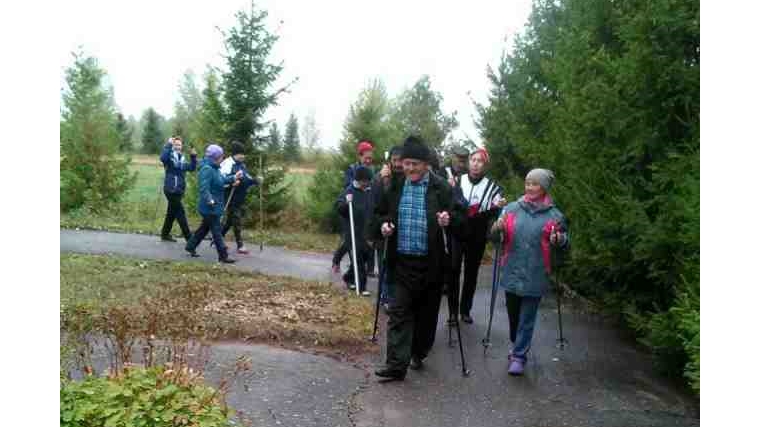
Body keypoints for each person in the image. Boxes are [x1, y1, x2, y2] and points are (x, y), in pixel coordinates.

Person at [369, 135, 463, 381]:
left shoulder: (441, 187)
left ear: (426, 164)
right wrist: (384, 227)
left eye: (415, 164)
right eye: (406, 163)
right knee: (398, 311)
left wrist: (449, 220)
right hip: (401, 262)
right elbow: (379, 215)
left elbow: (460, 217)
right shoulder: (396, 185)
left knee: (425, 316)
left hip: (431, 264)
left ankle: (418, 352)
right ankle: (395, 365)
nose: (409, 168)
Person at [490, 168, 569, 376]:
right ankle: (517, 344)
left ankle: (518, 356)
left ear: (544, 188)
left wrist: (559, 240)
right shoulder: (511, 209)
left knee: (527, 317)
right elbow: (495, 237)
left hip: (537, 272)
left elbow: (564, 242)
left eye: (535, 184)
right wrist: (496, 229)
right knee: (514, 315)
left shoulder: (555, 216)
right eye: (528, 183)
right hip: (512, 270)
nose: (530, 187)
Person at [455, 148, 507, 324]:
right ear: (469, 162)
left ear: (485, 165)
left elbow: (496, 214)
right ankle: (452, 311)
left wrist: (497, 209)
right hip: (457, 231)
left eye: (480, 161)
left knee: (471, 273)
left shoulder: (493, 187)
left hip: (477, 234)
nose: (476, 164)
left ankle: (465, 310)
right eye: (474, 160)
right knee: (453, 271)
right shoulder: (457, 181)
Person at [185, 144, 242, 263]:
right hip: (209, 206)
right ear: (215, 157)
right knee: (216, 231)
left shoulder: (215, 168)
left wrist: (233, 178)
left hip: (215, 205)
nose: (222, 158)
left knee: (204, 228)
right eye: (221, 156)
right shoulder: (207, 169)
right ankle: (223, 255)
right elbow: (203, 188)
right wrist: (209, 200)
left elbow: (221, 181)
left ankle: (190, 246)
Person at [332, 140, 376, 273]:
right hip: (350, 209)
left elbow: (372, 187)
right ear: (360, 156)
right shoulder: (352, 169)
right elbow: (348, 187)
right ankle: (337, 261)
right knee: (349, 240)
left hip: (365, 210)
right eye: (366, 158)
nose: (368, 160)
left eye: (370, 158)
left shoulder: (372, 170)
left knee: (366, 238)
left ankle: (368, 269)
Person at [372, 145, 404, 308]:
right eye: (394, 160)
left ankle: (392, 297)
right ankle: (385, 297)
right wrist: (383, 180)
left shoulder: (406, 178)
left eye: (400, 160)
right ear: (389, 161)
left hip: (400, 232)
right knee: (385, 266)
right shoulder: (381, 178)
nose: (398, 164)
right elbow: (376, 205)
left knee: (395, 268)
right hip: (383, 231)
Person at [336, 165, 374, 296]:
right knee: (357, 260)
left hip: (366, 231)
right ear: (359, 180)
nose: (367, 183)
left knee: (364, 257)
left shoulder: (370, 191)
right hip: (352, 231)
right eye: (365, 181)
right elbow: (339, 206)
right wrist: (346, 204)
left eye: (369, 181)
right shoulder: (349, 190)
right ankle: (362, 287)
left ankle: (348, 277)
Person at [220, 141, 260, 254]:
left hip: (239, 198)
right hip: (229, 198)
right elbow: (220, 180)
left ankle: (218, 238)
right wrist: (231, 182)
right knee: (236, 220)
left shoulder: (242, 165)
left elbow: (247, 179)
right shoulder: (227, 164)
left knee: (230, 221)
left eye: (243, 154)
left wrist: (256, 181)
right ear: (234, 154)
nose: (243, 156)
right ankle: (240, 245)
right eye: (240, 154)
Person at [159, 136, 197, 242]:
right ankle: (189, 238)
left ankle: (165, 234)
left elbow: (192, 168)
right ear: (173, 145)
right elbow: (162, 158)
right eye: (175, 144)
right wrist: (168, 145)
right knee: (180, 213)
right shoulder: (169, 158)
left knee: (171, 213)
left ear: (182, 146)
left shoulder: (182, 159)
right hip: (170, 190)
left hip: (179, 190)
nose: (177, 147)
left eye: (179, 145)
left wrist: (193, 156)